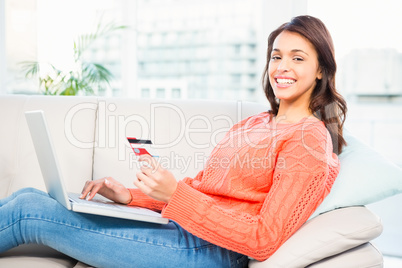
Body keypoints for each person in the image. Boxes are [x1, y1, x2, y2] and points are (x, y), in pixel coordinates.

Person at [0, 15, 347, 267]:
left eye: (297, 58)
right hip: (181, 230)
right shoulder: (256, 122)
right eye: (276, 56)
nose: (281, 67)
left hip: (207, 252)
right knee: (31, 195)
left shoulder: (308, 139)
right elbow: (201, 191)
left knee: (31, 213)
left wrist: (175, 195)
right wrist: (129, 197)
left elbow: (264, 238)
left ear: (320, 69)